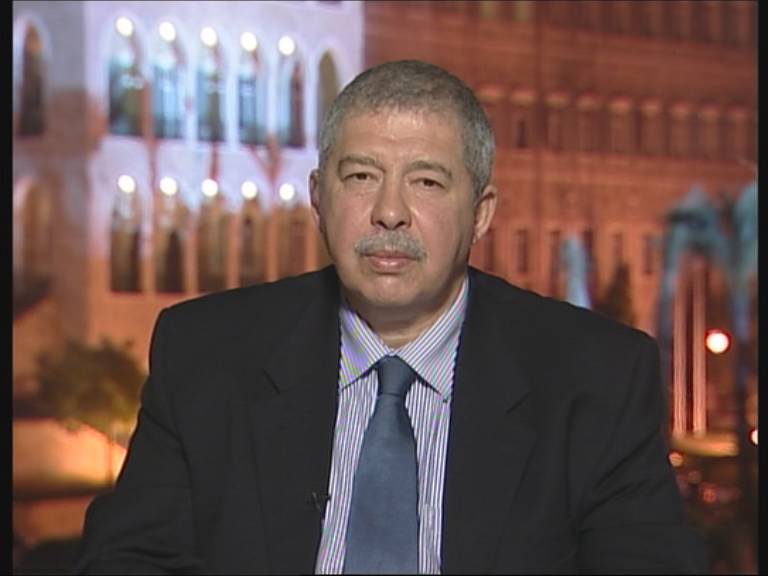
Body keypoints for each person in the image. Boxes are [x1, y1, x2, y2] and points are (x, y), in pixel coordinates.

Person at [75, 60, 706, 574]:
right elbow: (128, 560)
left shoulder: (598, 378)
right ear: (318, 198)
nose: (390, 212)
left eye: (426, 182)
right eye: (361, 176)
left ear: (481, 214)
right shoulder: (204, 352)